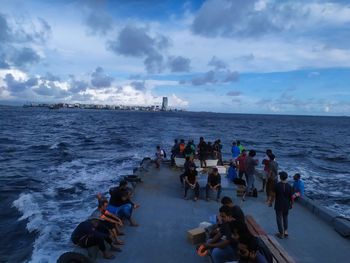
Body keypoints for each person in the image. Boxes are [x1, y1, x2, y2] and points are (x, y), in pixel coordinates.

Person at [274, 171, 293, 239]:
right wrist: (291, 204)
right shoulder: (289, 186)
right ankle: (285, 231)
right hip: (286, 204)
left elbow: (274, 194)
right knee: (285, 217)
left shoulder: (277, 185)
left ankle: (281, 233)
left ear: (280, 177)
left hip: (279, 204)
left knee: (279, 218)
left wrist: (270, 202)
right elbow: (291, 197)